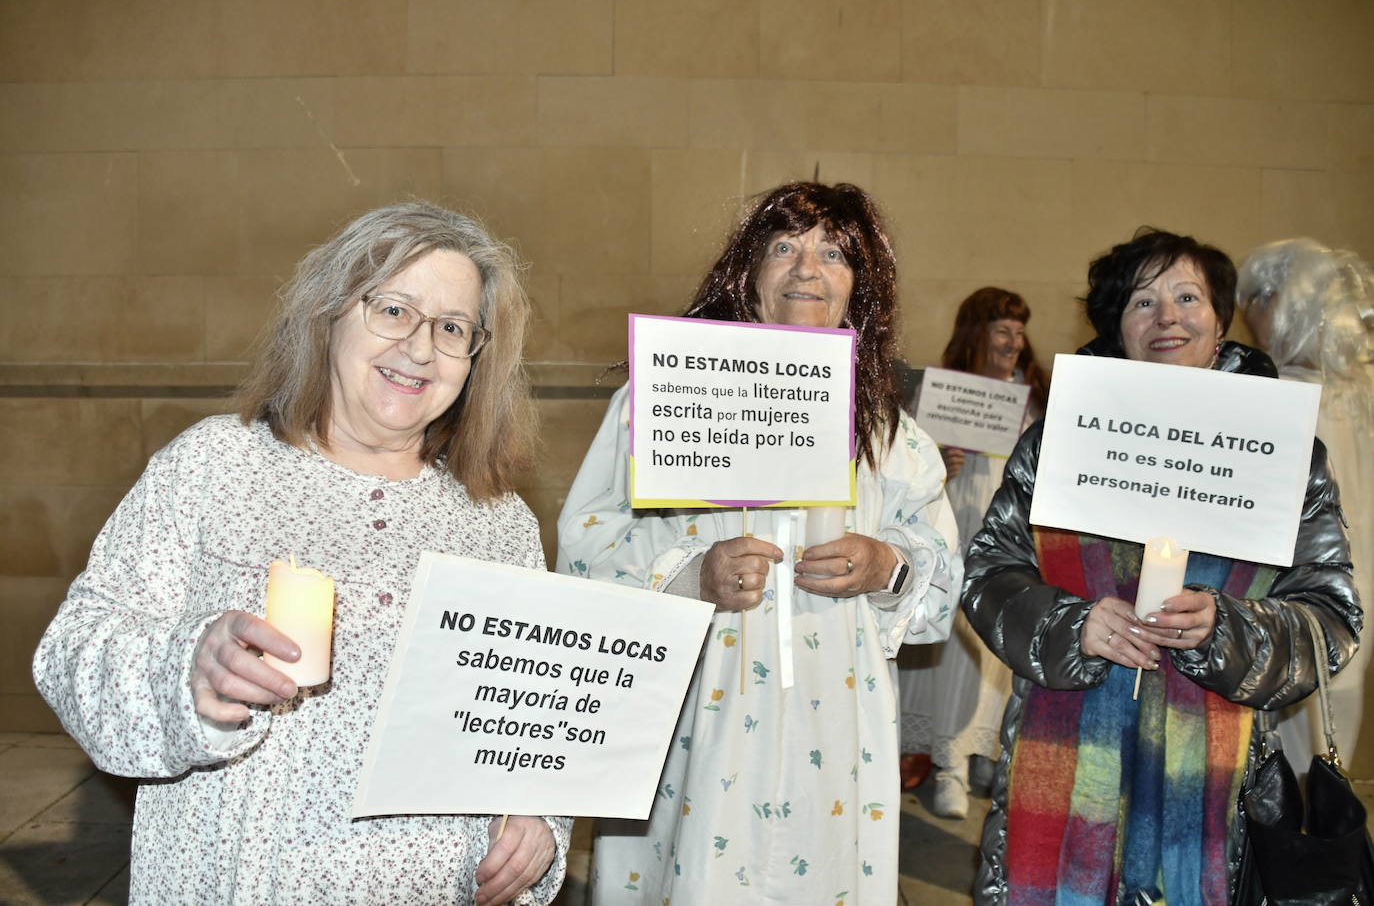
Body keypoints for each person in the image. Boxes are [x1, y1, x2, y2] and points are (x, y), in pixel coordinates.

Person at [33, 202, 569, 905]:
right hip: (242, 881)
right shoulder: (215, 465)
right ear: (330, 314)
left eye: (451, 328)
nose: (419, 349)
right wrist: (187, 667)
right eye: (394, 311)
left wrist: (539, 816)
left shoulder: (499, 523)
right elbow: (69, 651)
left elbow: (538, 711)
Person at [557, 182, 961, 904]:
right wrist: (691, 577)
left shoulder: (890, 437)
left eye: (834, 253)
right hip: (694, 720)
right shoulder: (657, 404)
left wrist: (886, 565)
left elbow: (937, 589)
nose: (808, 268)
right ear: (748, 275)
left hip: (836, 732)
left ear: (858, 288)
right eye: (784, 247)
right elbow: (585, 552)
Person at [961, 228, 1361, 904]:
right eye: (1143, 302)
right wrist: (1071, 624)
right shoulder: (1059, 436)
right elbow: (990, 573)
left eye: (1186, 297)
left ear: (1219, 319)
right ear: (1118, 326)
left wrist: (1229, 628)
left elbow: (1330, 618)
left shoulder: (1285, 453)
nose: (1167, 317)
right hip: (1061, 757)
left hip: (1215, 777)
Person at [897, 287, 1050, 818]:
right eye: (1002, 330)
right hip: (951, 527)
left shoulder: (1030, 401)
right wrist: (938, 462)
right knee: (948, 650)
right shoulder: (941, 394)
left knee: (992, 654)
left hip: (1005, 535)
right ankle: (948, 766)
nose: (1014, 341)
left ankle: (982, 753)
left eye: (1019, 331)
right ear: (976, 334)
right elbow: (903, 465)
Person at [1238, 238, 1374, 771]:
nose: (1248, 315)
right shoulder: (1358, 395)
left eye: (1258, 299)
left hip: (1300, 589)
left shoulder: (1287, 398)